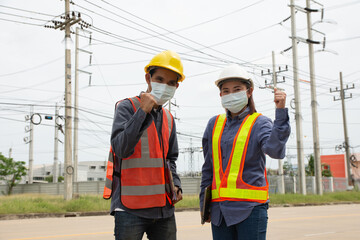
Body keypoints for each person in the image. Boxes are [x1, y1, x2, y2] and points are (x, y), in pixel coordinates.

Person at [199, 64, 290, 240]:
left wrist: (280, 112)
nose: (231, 94)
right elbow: (208, 169)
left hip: (250, 210)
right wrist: (205, 205)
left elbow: (276, 151)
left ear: (249, 92)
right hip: (220, 212)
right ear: (220, 95)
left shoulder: (260, 123)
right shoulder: (214, 124)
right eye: (226, 91)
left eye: (237, 89)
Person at [103, 50, 184, 240]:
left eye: (171, 83)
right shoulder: (126, 107)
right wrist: (142, 112)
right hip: (130, 208)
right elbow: (121, 149)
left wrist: (176, 185)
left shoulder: (169, 118)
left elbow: (170, 159)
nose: (165, 86)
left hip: (163, 209)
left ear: (176, 86)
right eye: (160, 79)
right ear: (148, 78)